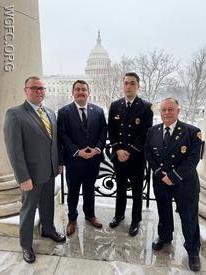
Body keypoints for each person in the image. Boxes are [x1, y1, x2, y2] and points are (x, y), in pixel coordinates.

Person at [3, 76, 66, 264]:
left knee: (48, 203)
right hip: (30, 175)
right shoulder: (15, 114)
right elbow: (14, 149)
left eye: (42, 88)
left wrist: (59, 163)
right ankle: (26, 245)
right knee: (29, 209)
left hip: (49, 171)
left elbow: (54, 142)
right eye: (35, 88)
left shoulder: (50, 112)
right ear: (26, 90)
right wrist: (23, 176)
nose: (39, 91)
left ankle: (48, 229)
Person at [145, 98, 202, 272]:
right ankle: (165, 236)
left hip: (185, 182)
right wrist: (159, 173)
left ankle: (193, 250)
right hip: (161, 181)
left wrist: (174, 176)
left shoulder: (192, 132)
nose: (167, 113)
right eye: (164, 110)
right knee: (163, 210)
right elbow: (149, 153)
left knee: (189, 216)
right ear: (159, 112)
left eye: (171, 109)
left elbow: (193, 159)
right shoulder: (153, 131)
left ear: (178, 111)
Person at [57, 80, 107, 236]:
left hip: (93, 160)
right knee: (72, 192)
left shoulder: (98, 111)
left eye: (83, 89)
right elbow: (63, 136)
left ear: (88, 92)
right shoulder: (64, 112)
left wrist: (97, 149)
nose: (80, 92)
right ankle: (72, 219)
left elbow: (103, 133)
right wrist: (77, 152)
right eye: (77, 89)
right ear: (73, 93)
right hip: (74, 161)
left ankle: (90, 215)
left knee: (89, 190)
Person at [108, 72, 153, 236]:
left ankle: (136, 220)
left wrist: (129, 151)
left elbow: (145, 133)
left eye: (132, 83)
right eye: (126, 83)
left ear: (138, 86)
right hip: (119, 157)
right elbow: (111, 131)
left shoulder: (146, 107)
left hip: (136, 158)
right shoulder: (115, 105)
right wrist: (118, 150)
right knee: (120, 188)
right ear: (123, 85)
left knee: (136, 191)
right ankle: (119, 215)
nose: (129, 86)